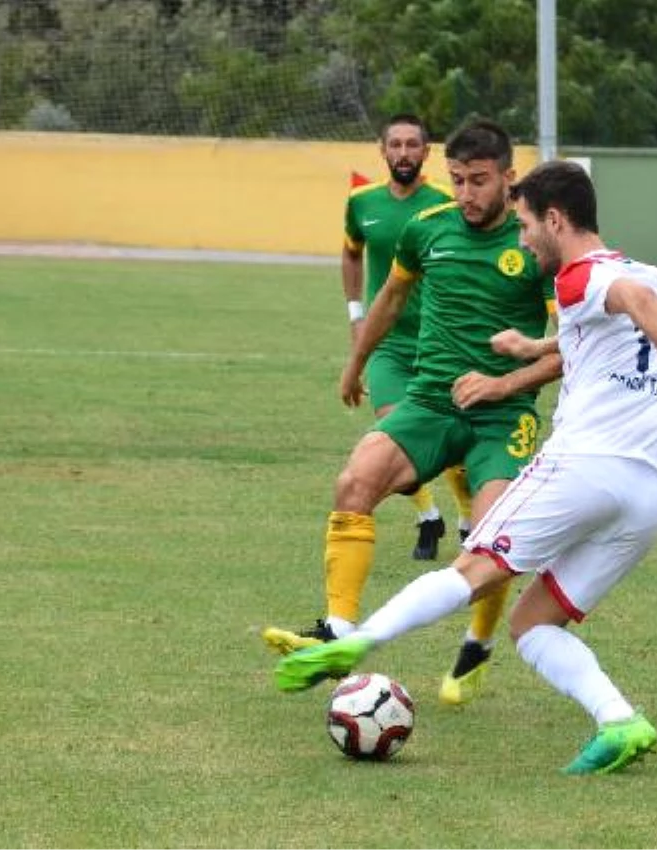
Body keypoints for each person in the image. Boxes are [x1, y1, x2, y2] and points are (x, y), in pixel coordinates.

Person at [274, 159, 657, 775]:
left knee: (473, 567)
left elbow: (634, 304)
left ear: (556, 219)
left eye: (525, 225)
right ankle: (621, 720)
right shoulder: (636, 267)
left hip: (585, 466)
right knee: (534, 624)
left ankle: (354, 642)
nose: (520, 239)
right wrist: (534, 347)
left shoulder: (582, 276)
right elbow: (615, 323)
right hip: (650, 491)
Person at [264, 119, 562, 707]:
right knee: (354, 481)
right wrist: (356, 363)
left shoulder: (534, 244)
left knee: (490, 540)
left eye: (479, 181)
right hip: (430, 401)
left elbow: (573, 345)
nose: (467, 194)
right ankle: (339, 631)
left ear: (509, 177)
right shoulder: (428, 230)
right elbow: (392, 296)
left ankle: (476, 646)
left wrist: (504, 385)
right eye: (458, 181)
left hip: (502, 418)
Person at [340, 114, 473, 561]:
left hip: (440, 342)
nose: (402, 153)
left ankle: (467, 521)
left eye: (411, 144)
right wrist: (357, 314)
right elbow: (351, 252)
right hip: (390, 345)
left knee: (452, 442)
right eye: (394, 144)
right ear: (382, 150)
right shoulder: (361, 202)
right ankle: (426, 514)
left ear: (426, 151)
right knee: (394, 433)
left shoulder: (447, 205)